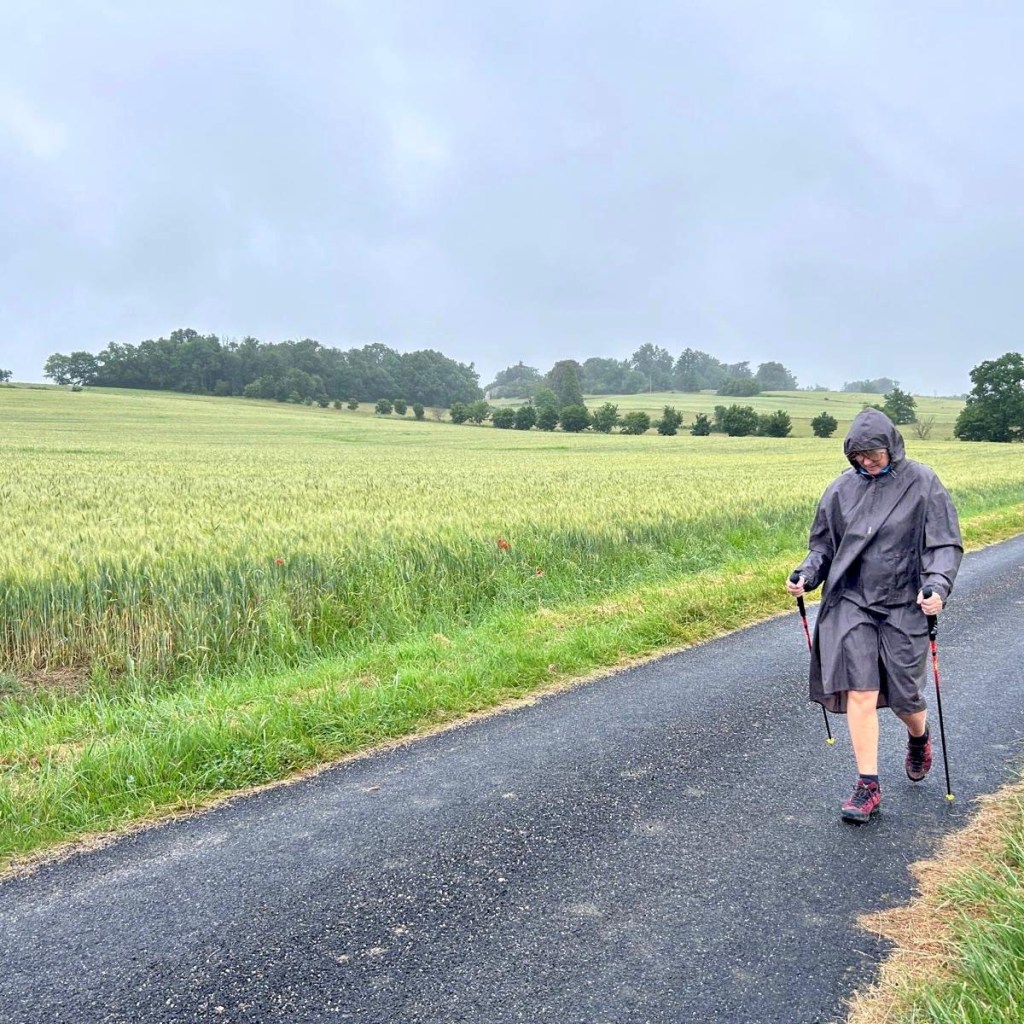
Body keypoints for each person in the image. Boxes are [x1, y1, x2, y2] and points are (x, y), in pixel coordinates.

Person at [786, 407, 963, 823]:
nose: (866, 461)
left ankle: (918, 737)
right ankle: (868, 784)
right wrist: (807, 574)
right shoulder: (840, 490)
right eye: (859, 455)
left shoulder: (923, 482)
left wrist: (937, 586)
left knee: (905, 696)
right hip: (852, 599)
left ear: (892, 447)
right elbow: (823, 547)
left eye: (874, 454)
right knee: (860, 690)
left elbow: (943, 544)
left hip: (905, 601)